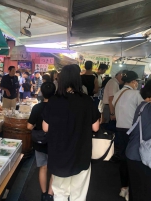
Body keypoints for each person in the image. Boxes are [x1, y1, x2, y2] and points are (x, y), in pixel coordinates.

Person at [42, 65, 100, 201]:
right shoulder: (86, 101)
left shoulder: (54, 101)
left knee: (60, 193)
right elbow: (96, 127)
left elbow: (45, 128)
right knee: (78, 195)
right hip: (81, 154)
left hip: (59, 155)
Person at [112, 71, 143, 201]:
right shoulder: (136, 94)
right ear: (133, 81)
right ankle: (131, 189)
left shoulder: (118, 94)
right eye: (136, 81)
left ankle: (123, 187)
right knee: (133, 159)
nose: (137, 84)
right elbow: (144, 108)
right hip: (132, 131)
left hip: (119, 129)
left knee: (123, 159)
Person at [27, 82, 56, 201]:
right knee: (54, 169)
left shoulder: (37, 107)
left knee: (42, 167)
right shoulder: (58, 108)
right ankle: (50, 194)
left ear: (42, 93)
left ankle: (43, 194)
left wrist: (37, 128)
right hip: (55, 142)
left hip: (40, 142)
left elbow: (29, 126)